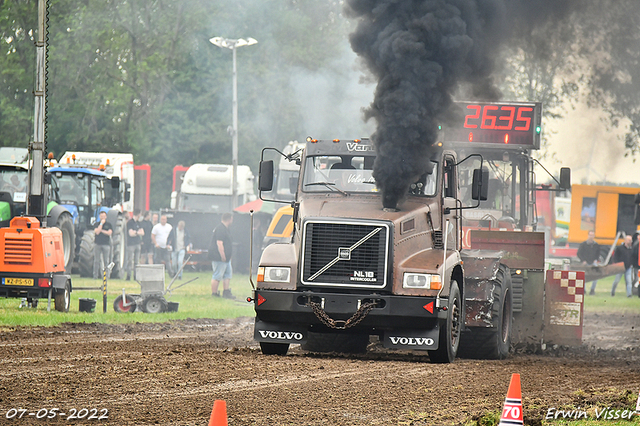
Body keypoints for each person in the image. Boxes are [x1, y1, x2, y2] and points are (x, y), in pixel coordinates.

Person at [209, 212, 235, 299]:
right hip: (219, 257)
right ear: (229, 219)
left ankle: (226, 292)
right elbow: (219, 243)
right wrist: (223, 256)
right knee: (217, 275)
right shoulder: (220, 229)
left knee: (228, 274)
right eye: (232, 219)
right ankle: (214, 293)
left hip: (226, 258)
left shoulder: (226, 229)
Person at [577, 230, 602, 295]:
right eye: (590, 235)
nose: (591, 236)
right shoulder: (583, 244)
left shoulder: (596, 245)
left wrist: (596, 260)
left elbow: (598, 253)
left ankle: (592, 290)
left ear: (594, 236)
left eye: (592, 235)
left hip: (593, 262)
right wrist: (583, 260)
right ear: (588, 235)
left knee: (596, 276)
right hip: (586, 262)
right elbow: (579, 253)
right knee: (584, 276)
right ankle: (584, 290)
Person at [125, 209, 144, 280]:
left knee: (136, 261)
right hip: (131, 244)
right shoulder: (130, 223)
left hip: (137, 243)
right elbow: (130, 234)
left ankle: (136, 276)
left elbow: (142, 232)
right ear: (139, 214)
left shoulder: (139, 223)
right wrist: (137, 232)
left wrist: (135, 232)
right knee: (130, 260)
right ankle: (128, 275)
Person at [93, 211, 113, 279]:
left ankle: (106, 276)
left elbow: (109, 233)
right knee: (96, 261)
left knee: (106, 261)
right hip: (97, 244)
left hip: (106, 245)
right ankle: (95, 276)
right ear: (99, 217)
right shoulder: (96, 224)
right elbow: (97, 232)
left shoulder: (109, 225)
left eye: (104, 216)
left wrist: (102, 230)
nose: (103, 217)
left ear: (106, 217)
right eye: (101, 216)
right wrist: (101, 224)